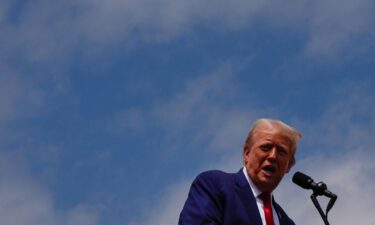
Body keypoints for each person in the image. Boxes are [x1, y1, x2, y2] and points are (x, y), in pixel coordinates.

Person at [178, 118, 301, 225]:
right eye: (266, 147)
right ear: (246, 154)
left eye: (281, 151)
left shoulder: (286, 222)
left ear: (289, 165)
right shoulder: (215, 185)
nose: (273, 156)